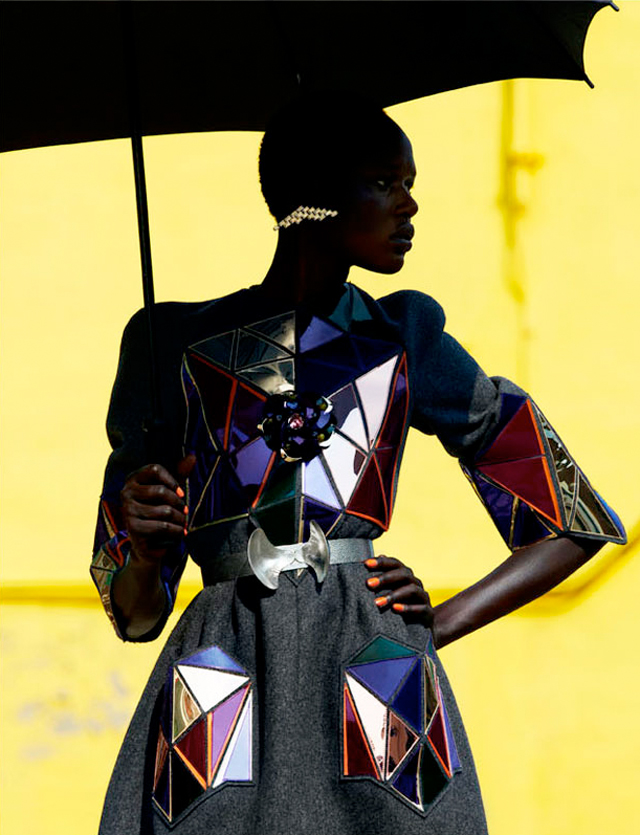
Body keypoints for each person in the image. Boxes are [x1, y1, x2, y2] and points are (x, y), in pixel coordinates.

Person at [91, 95, 626, 835]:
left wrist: (433, 624)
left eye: (408, 181)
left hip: (376, 664)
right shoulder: (168, 343)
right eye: (383, 180)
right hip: (217, 668)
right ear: (315, 195)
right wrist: (147, 554)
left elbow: (575, 522)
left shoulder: (403, 336)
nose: (410, 204)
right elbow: (135, 612)